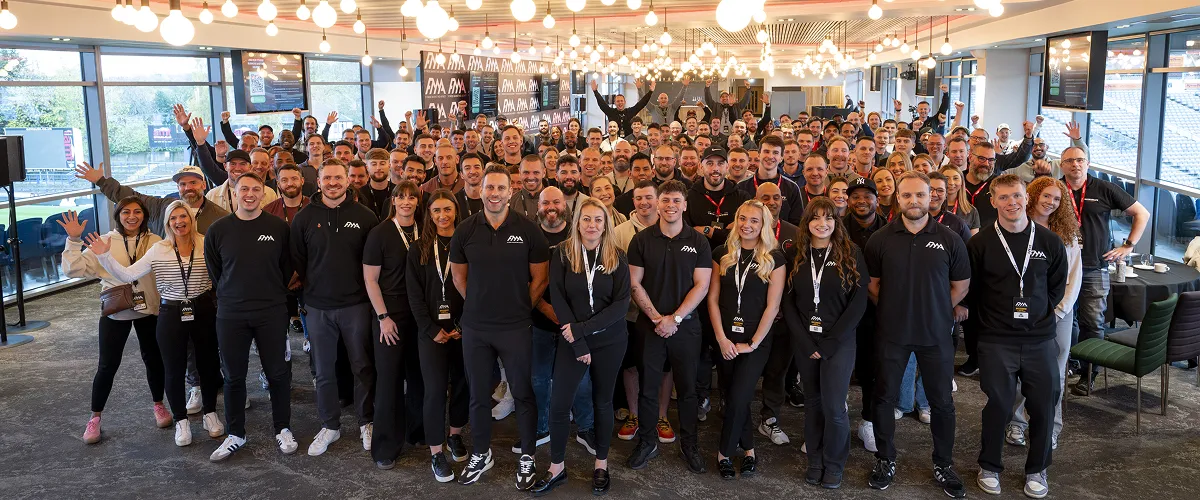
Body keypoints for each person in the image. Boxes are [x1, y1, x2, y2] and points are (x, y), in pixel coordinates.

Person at [865, 171, 971, 498]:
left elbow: (961, 285)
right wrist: (897, 308)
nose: (914, 201)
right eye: (907, 195)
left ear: (932, 197)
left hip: (935, 334)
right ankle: (885, 459)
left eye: (920, 195)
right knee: (884, 398)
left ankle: (943, 464)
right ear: (897, 198)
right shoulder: (880, 239)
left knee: (942, 402)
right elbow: (873, 285)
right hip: (892, 333)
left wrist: (935, 309)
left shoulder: (950, 239)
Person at [86, 201, 225, 448]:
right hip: (171, 312)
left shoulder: (206, 242)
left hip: (203, 308)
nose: (179, 222)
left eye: (183, 216)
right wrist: (104, 256)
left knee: (208, 364)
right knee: (173, 368)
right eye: (173, 218)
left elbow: (223, 273)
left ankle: (210, 413)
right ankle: (181, 420)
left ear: (191, 219)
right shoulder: (159, 249)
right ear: (167, 223)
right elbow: (128, 275)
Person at [449, 165, 550, 489]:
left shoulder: (528, 230)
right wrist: (481, 303)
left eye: (500, 188)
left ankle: (528, 456)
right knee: (479, 395)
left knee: (522, 393)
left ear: (510, 192)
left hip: (515, 327)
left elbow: (540, 278)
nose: (494, 193)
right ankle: (481, 453)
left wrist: (520, 308)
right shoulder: (465, 230)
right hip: (476, 328)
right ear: (480, 191)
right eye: (489, 188)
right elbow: (458, 277)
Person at [967, 174, 1068, 498]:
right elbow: (973, 290)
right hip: (996, 339)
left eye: (1017, 196)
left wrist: (1037, 312)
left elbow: (1056, 286)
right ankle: (989, 465)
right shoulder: (980, 243)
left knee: (1043, 405)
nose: (1012, 202)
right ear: (993, 201)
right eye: (1004, 197)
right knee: (998, 404)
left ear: (1027, 198)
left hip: (1039, 338)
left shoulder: (1049, 242)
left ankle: (1037, 469)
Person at [531, 198, 632, 496]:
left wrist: (582, 330)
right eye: (586, 219)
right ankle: (556, 468)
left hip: (609, 340)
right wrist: (577, 341)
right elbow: (558, 298)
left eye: (598, 220)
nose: (592, 225)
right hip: (572, 340)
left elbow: (621, 304)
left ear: (606, 224)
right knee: (560, 403)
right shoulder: (563, 253)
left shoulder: (617, 256)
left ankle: (601, 464)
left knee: (603, 402)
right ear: (577, 222)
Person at [202, 173, 296, 461]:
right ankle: (236, 434)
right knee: (233, 377)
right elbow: (217, 273)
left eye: (256, 189)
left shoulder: (278, 228)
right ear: (234, 192)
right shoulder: (218, 230)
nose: (250, 194)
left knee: (277, 373)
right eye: (244, 189)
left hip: (271, 311)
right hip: (232, 314)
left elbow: (286, 267)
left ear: (263, 193)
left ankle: (282, 428)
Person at [289, 159, 381, 457]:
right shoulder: (304, 218)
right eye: (327, 178)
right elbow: (299, 260)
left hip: (357, 305)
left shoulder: (365, 216)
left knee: (362, 366)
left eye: (338, 178)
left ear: (348, 180)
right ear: (318, 182)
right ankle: (330, 425)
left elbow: (373, 261)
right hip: (318, 308)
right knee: (324, 370)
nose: (333, 183)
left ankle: (366, 421)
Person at [60, 202, 168, 444]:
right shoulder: (105, 241)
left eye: (137, 212)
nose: (132, 216)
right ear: (118, 215)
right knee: (107, 365)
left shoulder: (155, 241)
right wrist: (74, 240)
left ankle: (159, 405)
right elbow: (73, 270)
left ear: (145, 216)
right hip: (115, 310)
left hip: (149, 309)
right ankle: (95, 418)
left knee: (154, 360)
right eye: (126, 212)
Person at [626, 180, 712, 473]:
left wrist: (674, 319)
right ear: (658, 204)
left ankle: (690, 445)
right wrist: (656, 319)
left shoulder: (699, 242)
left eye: (676, 200)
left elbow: (702, 286)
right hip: (649, 326)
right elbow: (634, 283)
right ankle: (647, 442)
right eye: (665, 200)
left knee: (687, 390)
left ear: (685, 205)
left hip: (686, 328)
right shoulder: (641, 240)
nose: (670, 206)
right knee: (648, 388)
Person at [784, 197, 869, 489]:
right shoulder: (795, 253)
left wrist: (832, 342)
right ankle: (815, 460)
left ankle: (834, 464)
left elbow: (858, 302)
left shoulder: (851, 252)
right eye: (816, 218)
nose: (822, 223)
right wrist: (805, 343)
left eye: (829, 217)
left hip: (839, 342)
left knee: (834, 406)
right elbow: (788, 303)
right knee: (812, 403)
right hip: (806, 341)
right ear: (807, 222)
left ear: (836, 222)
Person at [706, 200, 786, 480]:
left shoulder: (775, 258)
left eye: (754, 220)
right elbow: (712, 299)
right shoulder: (721, 253)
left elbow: (773, 307)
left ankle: (724, 453)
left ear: (764, 225)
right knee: (732, 397)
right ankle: (749, 449)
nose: (747, 225)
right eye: (743, 218)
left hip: (756, 341)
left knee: (740, 395)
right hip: (725, 338)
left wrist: (752, 344)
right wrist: (721, 339)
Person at [1060, 146, 1150, 395]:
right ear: (1062, 165)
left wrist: (1128, 246)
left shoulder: (1104, 188)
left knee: (1092, 322)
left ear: (1088, 163)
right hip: (1062, 268)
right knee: (1066, 318)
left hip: (1094, 267)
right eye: (1070, 160)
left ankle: (1089, 374)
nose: (1075, 164)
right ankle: (1072, 362)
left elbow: (1141, 213)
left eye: (1080, 160)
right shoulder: (1055, 189)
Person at [1009, 177, 1083, 453]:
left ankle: (1050, 427)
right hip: (1022, 310)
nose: (1051, 202)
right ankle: (1016, 423)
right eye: (1046, 196)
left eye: (1056, 199)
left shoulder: (1067, 235)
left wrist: (1058, 311)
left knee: (1055, 374)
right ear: (1033, 196)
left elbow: (1074, 278)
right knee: (1019, 369)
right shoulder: (1016, 226)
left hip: (1058, 314)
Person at [406, 190, 470, 481]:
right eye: (436, 211)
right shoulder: (418, 248)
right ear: (429, 215)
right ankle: (436, 452)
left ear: (456, 210)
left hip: (463, 331)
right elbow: (414, 295)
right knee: (433, 391)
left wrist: (463, 325)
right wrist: (431, 330)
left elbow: (476, 288)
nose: (442, 216)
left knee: (462, 384)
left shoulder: (467, 244)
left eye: (447, 209)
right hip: (430, 332)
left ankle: (454, 435)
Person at [362, 180, 425, 469]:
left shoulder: (425, 229)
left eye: (412, 197)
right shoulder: (380, 233)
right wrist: (383, 318)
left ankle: (418, 431)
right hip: (390, 314)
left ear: (418, 202)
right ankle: (386, 446)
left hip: (420, 312)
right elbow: (370, 280)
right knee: (389, 380)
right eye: (402, 197)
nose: (407, 202)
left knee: (419, 376)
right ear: (394, 200)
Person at [591, 79, 656, 137]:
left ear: (625, 102)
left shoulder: (630, 111)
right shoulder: (611, 112)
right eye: (618, 101)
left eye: (621, 101)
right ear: (615, 103)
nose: (620, 103)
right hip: (615, 139)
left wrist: (650, 92)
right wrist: (595, 91)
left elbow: (642, 103)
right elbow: (602, 104)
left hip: (629, 140)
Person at [940, 165, 982, 234]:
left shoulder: (971, 211)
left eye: (955, 178)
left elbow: (973, 240)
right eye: (946, 178)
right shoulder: (931, 208)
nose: (951, 182)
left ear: (962, 182)